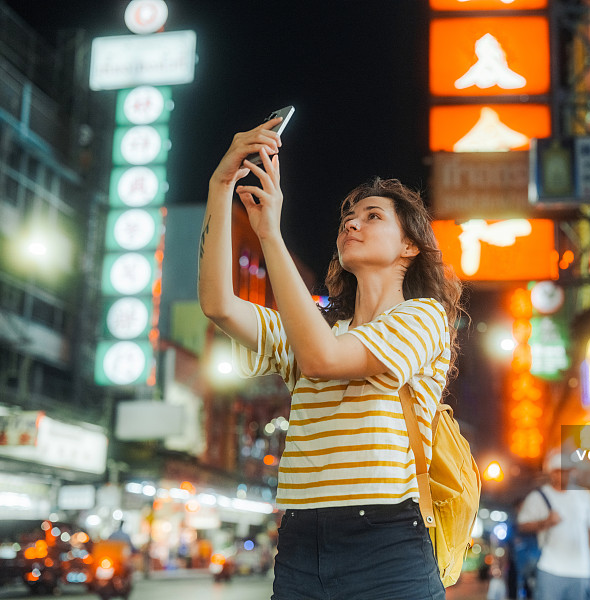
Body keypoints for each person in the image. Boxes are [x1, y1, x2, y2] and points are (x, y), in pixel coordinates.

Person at [198, 117, 463, 600]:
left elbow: (323, 359)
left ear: (410, 245)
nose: (351, 223)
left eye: (373, 216)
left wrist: (270, 235)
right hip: (301, 544)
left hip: (387, 544)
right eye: (348, 218)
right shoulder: (313, 329)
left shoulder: (423, 317)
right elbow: (219, 304)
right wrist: (220, 186)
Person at [517, 452, 590, 600]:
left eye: (567, 471)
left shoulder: (583, 496)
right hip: (550, 568)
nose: (563, 475)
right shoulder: (539, 496)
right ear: (551, 473)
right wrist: (546, 522)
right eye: (559, 471)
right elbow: (522, 525)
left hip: (581, 570)